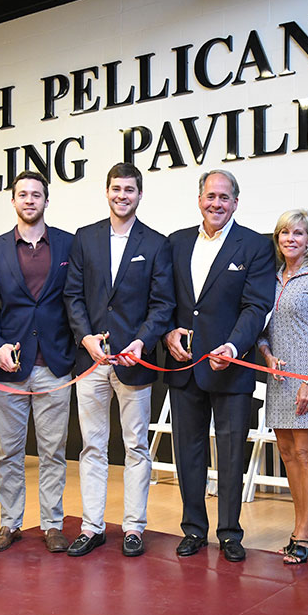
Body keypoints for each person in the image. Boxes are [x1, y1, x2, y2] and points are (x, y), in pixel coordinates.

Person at [63, 162, 175, 557]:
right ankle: (92, 526)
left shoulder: (156, 243)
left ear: (140, 195)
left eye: (129, 189)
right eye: (116, 189)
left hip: (134, 364)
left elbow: (163, 305)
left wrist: (143, 342)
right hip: (90, 361)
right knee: (92, 446)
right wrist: (86, 338)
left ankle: (133, 527)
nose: (122, 195)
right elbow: (72, 296)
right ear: (106, 192)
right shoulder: (85, 238)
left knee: (136, 447)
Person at [163, 169, 274, 562]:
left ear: (235, 203)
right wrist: (168, 333)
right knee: (188, 453)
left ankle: (229, 533)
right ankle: (193, 528)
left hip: (232, 366)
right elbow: (165, 301)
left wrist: (233, 345)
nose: (216, 203)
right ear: (199, 199)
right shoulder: (175, 243)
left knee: (229, 455)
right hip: (185, 365)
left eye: (224, 197)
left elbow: (257, 306)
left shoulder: (256, 246)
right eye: (210, 196)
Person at [0, 171, 75, 554]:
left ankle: (52, 522)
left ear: (46, 201)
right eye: (23, 194)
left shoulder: (69, 244)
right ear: (14, 201)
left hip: (54, 363)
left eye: (37, 195)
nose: (30, 200)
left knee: (53, 450)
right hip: (10, 366)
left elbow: (76, 299)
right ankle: (10, 522)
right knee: (9, 451)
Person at [256, 209, 308, 564]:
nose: (291, 239)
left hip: (307, 380)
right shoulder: (267, 279)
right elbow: (259, 330)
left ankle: (304, 532)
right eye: (285, 232)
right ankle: (303, 524)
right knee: (287, 454)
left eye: (298, 233)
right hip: (279, 379)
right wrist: (267, 355)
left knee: (305, 453)